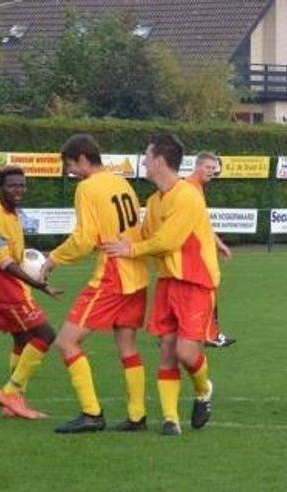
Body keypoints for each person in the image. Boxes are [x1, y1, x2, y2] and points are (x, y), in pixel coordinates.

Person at [105, 134, 219, 436]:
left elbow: (168, 242)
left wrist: (129, 250)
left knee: (185, 352)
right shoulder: (155, 201)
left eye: (146, 155)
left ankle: (203, 389)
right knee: (167, 348)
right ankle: (171, 420)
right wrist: (114, 240)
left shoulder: (187, 196)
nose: (143, 161)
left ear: (159, 161)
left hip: (195, 281)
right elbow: (144, 234)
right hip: (168, 282)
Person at [42, 134, 151, 434]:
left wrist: (52, 260)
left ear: (82, 159)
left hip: (112, 275)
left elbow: (83, 240)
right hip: (137, 275)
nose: (70, 173)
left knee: (66, 342)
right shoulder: (121, 182)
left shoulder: (88, 188)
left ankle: (91, 413)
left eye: (70, 166)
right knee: (128, 346)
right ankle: (137, 415)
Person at [0, 166, 63, 420]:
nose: (19, 190)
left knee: (22, 340)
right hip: (3, 288)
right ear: (0, 188)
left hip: (10, 286)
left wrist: (35, 278)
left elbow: (15, 257)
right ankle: (10, 392)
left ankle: (12, 403)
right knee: (46, 335)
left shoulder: (13, 213)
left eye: (22, 185)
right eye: (13, 185)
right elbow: (3, 261)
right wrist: (36, 284)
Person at [185, 151, 236, 349]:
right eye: (207, 167)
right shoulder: (190, 188)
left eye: (214, 169)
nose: (211, 172)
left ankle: (178, 333)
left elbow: (202, 222)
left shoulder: (194, 187)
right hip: (196, 252)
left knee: (192, 293)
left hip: (195, 250)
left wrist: (218, 243)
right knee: (209, 289)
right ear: (196, 166)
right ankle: (210, 335)